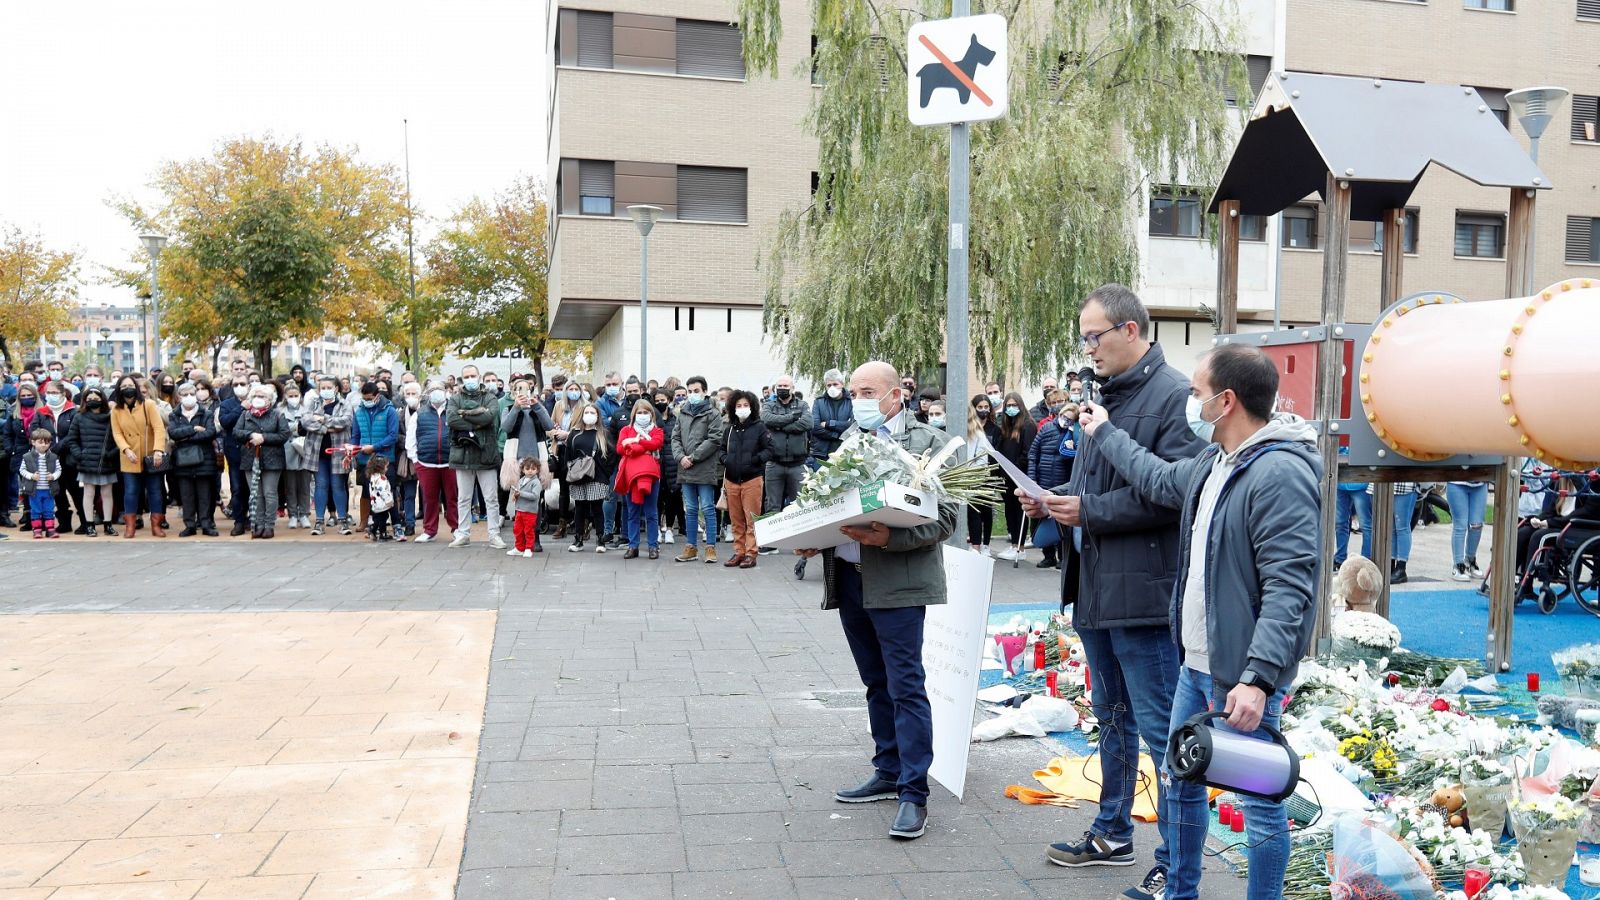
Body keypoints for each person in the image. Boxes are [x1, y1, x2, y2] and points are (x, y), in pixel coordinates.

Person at [1075, 343, 1321, 900]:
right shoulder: (1216, 462)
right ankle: (1179, 889)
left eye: (1196, 393)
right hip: (1195, 663)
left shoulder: (1278, 471)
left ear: (1226, 400)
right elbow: (1158, 478)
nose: (1191, 401)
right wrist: (1106, 432)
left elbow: (1290, 588)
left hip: (1240, 674)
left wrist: (1258, 679)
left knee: (1259, 807)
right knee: (1179, 781)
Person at [1021, 284, 1206, 900]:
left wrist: (1090, 512)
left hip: (1145, 595)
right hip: (1097, 587)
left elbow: (1177, 493)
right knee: (1111, 716)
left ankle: (1176, 864)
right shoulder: (1104, 395)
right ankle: (1111, 830)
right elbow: (1094, 479)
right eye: (1084, 339)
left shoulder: (1173, 396)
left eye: (1095, 336)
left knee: (1163, 731)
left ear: (1131, 331)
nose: (1088, 349)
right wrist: (1052, 503)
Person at [795, 361, 958, 841]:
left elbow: (946, 518)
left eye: (867, 391)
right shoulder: (850, 440)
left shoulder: (928, 444)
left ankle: (914, 793)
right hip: (848, 579)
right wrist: (810, 537)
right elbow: (833, 506)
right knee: (875, 682)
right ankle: (887, 768)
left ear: (896, 396)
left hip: (898, 584)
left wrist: (890, 537)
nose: (858, 399)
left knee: (906, 685)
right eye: (852, 391)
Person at [446, 366, 507, 550]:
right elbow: (451, 419)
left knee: (491, 498)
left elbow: (489, 417)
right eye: (466, 376)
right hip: (462, 454)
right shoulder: (456, 398)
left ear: (478, 376)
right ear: (462, 379)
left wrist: (465, 417)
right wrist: (476, 422)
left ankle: (494, 534)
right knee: (463, 498)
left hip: (485, 453)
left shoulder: (489, 397)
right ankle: (463, 533)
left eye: (473, 376)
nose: (470, 379)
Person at [672, 376, 726, 565]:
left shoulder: (713, 414)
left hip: (703, 468)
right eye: (690, 391)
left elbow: (714, 439)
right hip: (685, 469)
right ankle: (691, 547)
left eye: (696, 391)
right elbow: (675, 438)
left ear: (704, 392)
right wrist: (681, 457)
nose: (693, 395)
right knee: (691, 509)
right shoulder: (683, 413)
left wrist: (693, 457)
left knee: (708, 508)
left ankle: (710, 547)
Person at [761, 375, 813, 554]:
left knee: (799, 504)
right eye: (780, 385)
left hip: (798, 463)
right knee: (772, 503)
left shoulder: (803, 405)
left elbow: (808, 423)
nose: (783, 388)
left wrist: (780, 426)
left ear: (792, 388)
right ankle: (771, 541)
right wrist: (792, 418)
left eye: (786, 385)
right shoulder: (769, 404)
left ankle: (799, 542)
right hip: (774, 463)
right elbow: (767, 420)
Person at [232, 384, 291, 539]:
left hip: (272, 459)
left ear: (270, 400)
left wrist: (264, 438)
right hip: (250, 459)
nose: (259, 399)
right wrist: (251, 435)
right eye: (256, 396)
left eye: (262, 396)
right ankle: (258, 524)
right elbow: (236, 432)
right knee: (255, 494)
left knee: (270, 493)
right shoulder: (245, 415)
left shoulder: (277, 415)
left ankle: (269, 525)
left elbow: (284, 435)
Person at [721, 389, 770, 569]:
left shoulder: (759, 427)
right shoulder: (730, 429)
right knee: (736, 519)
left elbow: (769, 450)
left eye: (745, 405)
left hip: (752, 479)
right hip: (732, 480)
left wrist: (755, 461)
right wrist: (726, 460)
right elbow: (721, 450)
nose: (742, 408)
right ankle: (739, 551)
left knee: (751, 519)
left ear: (752, 407)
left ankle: (751, 553)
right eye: (738, 406)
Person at [62, 385, 119, 536]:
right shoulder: (79, 417)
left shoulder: (111, 416)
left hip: (106, 461)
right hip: (87, 461)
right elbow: (72, 440)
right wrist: (79, 455)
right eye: (90, 399)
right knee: (88, 493)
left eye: (96, 398)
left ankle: (108, 524)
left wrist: (112, 453)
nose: (93, 401)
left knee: (107, 493)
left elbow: (119, 438)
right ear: (85, 400)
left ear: (102, 400)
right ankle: (89, 524)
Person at [1027, 393, 1075, 569]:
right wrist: (1032, 479)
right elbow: (1033, 454)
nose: (1066, 420)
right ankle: (1048, 556)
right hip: (1043, 481)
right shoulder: (1046, 429)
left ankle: (1063, 556)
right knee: (1040, 519)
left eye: (1070, 418)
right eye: (1064, 417)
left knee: (1062, 521)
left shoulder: (1074, 433)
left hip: (1063, 483)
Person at [408, 381, 459, 543]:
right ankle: (429, 530)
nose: (436, 392)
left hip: (450, 463)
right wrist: (416, 460)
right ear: (427, 393)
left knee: (453, 497)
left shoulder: (454, 411)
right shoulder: (419, 414)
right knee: (429, 499)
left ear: (446, 392)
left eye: (439, 389)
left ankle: (457, 528)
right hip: (426, 463)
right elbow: (410, 440)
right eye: (432, 390)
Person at [167, 382, 220, 537]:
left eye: (191, 393)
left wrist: (185, 437)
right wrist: (193, 429)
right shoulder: (174, 414)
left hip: (205, 460)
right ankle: (189, 525)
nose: (189, 397)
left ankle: (206, 524)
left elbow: (210, 433)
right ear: (179, 397)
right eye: (185, 395)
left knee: (205, 495)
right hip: (183, 461)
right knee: (187, 495)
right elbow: (173, 434)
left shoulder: (206, 413)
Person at [304, 376, 354, 535]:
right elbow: (306, 421)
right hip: (318, 452)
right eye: (322, 387)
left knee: (338, 486)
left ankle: (343, 521)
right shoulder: (313, 403)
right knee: (321, 485)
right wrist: (326, 428)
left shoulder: (344, 404)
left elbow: (344, 422)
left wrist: (322, 418)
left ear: (336, 388)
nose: (325, 390)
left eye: (328, 387)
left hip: (339, 453)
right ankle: (319, 522)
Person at [616, 398, 664, 559]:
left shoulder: (657, 430)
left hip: (652, 475)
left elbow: (656, 444)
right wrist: (644, 447)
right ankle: (633, 546)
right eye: (639, 412)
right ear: (634, 414)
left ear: (651, 414)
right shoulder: (626, 430)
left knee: (651, 512)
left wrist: (635, 443)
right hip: (631, 476)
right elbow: (620, 448)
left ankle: (653, 546)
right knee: (632, 512)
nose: (643, 415)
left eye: (646, 412)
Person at [561, 402, 610, 552]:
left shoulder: (603, 433)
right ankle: (578, 539)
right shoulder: (574, 433)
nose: (589, 415)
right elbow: (567, 455)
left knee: (597, 508)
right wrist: (569, 473)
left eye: (592, 413)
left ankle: (600, 539)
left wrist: (605, 474)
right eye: (586, 412)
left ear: (598, 415)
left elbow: (611, 456)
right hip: (578, 476)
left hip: (597, 477)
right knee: (580, 508)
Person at [351, 381, 400, 532]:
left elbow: (393, 436)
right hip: (365, 460)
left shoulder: (389, 410)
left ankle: (394, 522)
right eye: (364, 399)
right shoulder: (359, 411)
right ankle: (366, 522)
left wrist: (374, 447)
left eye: (369, 398)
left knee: (387, 491)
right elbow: (356, 435)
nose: (367, 401)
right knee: (367, 491)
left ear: (377, 396)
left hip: (385, 459)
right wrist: (352, 450)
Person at [994, 391, 1036, 562]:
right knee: (1010, 510)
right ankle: (1013, 543)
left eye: (1014, 405)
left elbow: (1028, 452)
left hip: (1019, 474)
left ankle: (1020, 547)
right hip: (1006, 475)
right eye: (1008, 406)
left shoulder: (1027, 425)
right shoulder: (1007, 426)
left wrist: (1016, 468)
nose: (1011, 409)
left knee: (1020, 511)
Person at [41, 379, 84, 533]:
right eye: (49, 393)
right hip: (49, 458)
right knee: (57, 491)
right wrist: (46, 447)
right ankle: (64, 522)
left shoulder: (73, 411)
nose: (51, 395)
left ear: (62, 393)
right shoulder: (41, 412)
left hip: (70, 457)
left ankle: (85, 522)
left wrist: (57, 448)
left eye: (55, 392)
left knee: (76, 490)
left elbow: (74, 432)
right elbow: (34, 432)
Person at [966, 394, 1000, 555]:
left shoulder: (983, 433)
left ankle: (981, 544)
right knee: (973, 512)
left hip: (982, 477)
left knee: (984, 511)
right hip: (968, 477)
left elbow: (985, 457)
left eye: (986, 407)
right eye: (980, 407)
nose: (984, 410)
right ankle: (975, 544)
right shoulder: (966, 432)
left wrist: (977, 476)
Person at [219, 373, 252, 535]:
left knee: (253, 488)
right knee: (237, 488)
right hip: (235, 453)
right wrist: (241, 408)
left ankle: (253, 519)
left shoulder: (257, 400)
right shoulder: (226, 404)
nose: (240, 387)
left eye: (243, 383)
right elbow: (225, 422)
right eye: (236, 384)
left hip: (254, 452)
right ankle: (239, 520)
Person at [279, 381, 315, 529]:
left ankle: (304, 514)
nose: (293, 398)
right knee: (291, 486)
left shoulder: (307, 410)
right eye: (290, 396)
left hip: (304, 450)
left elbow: (311, 426)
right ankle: (293, 514)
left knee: (305, 485)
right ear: (285, 397)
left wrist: (296, 428)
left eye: (296, 395)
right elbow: (281, 429)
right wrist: (297, 427)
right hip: (288, 451)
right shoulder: (279, 411)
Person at [651, 388, 681, 545]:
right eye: (657, 401)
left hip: (672, 463)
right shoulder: (651, 420)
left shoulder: (676, 419)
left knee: (672, 498)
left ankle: (669, 528)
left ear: (669, 400)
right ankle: (656, 528)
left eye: (663, 400)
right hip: (655, 463)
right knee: (656, 498)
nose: (659, 403)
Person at [19, 427, 61, 537]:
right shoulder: (27, 457)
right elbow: (22, 470)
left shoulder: (53, 457)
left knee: (49, 510)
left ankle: (50, 529)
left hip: (49, 490)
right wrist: (31, 476)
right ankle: (37, 529)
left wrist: (53, 476)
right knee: (36, 510)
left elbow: (58, 470)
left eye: (47, 443)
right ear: (33, 442)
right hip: (35, 490)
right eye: (40, 442)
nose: (44, 445)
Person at [1446, 479, 1489, 581]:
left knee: (1477, 525)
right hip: (1457, 482)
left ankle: (1470, 560)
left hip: (1479, 483)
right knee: (1460, 525)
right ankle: (1458, 564)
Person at [811, 369, 854, 461]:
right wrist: (836, 435)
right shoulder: (819, 402)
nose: (832, 388)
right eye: (829, 385)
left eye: (835, 384)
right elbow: (815, 427)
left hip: (844, 453)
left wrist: (829, 424)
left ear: (842, 384)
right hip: (821, 453)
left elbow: (853, 426)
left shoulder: (851, 401)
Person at [1332, 481, 1371, 568]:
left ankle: (1365, 559)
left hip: (1361, 484)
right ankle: (1340, 558)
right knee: (1340, 524)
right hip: (1340, 485)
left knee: (1365, 525)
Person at [509, 456, 543, 557]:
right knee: (518, 530)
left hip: (530, 511)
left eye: (533, 469)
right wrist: (515, 495)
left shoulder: (536, 482)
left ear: (537, 470)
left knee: (528, 531)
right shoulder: (521, 480)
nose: (530, 471)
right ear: (523, 469)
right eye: (527, 469)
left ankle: (528, 548)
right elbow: (519, 493)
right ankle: (519, 548)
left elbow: (535, 496)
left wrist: (521, 493)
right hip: (520, 510)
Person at [365, 455, 396, 541]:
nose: (387, 468)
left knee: (378, 518)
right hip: (382, 503)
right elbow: (383, 491)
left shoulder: (372, 477)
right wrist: (388, 500)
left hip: (375, 502)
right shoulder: (381, 479)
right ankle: (380, 532)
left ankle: (375, 531)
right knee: (382, 518)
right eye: (386, 467)